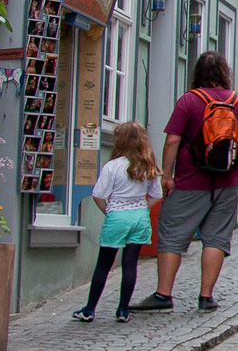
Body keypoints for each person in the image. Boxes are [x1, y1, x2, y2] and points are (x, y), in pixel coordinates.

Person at [131, 51, 238, 313]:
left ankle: (163, 294)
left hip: (189, 181)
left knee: (172, 234)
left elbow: (173, 140)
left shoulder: (189, 101)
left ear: (197, 73)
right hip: (227, 182)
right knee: (217, 239)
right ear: (225, 74)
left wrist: (167, 175)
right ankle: (206, 297)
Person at [73, 122, 162, 323]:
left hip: (117, 216)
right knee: (130, 264)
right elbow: (157, 194)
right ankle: (123, 310)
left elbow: (98, 195)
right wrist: (141, 206)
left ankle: (89, 309)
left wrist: (110, 211)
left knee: (104, 264)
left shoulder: (112, 166)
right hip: (139, 216)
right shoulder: (148, 164)